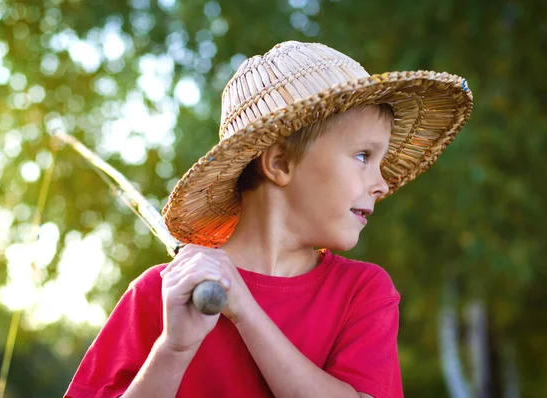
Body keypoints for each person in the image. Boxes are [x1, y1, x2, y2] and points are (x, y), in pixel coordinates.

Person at [65, 41, 473, 398]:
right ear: (279, 162)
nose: (382, 184)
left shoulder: (362, 293)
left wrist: (245, 309)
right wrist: (173, 349)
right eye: (364, 156)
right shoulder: (161, 293)